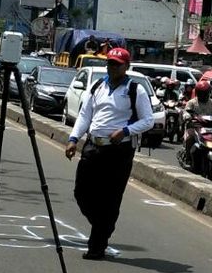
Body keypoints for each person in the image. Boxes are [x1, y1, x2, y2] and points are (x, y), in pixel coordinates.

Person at [65, 47, 155, 260]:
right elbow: (85, 115)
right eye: (110, 63)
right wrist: (73, 139)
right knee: (82, 193)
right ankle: (103, 227)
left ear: (126, 67)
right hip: (93, 146)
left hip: (119, 151)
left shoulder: (136, 90)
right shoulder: (97, 86)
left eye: (117, 64)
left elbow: (148, 120)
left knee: (110, 199)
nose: (112, 67)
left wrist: (125, 131)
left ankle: (97, 245)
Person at [183, 79, 212, 159]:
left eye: (205, 93)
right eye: (201, 93)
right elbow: (186, 112)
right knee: (190, 139)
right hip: (195, 126)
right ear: (197, 93)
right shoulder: (192, 102)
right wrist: (187, 116)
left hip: (210, 128)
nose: (203, 95)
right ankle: (188, 156)